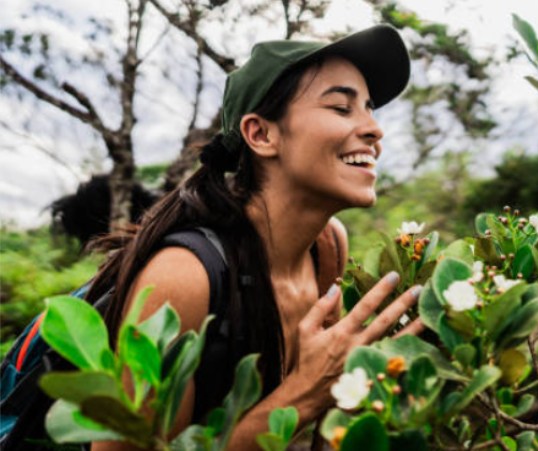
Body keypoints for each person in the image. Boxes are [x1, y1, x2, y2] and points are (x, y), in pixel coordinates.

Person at [85, 25, 422, 450]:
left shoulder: (327, 246)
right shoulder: (183, 279)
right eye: (341, 107)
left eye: (370, 109)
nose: (375, 130)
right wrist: (306, 391)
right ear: (261, 134)